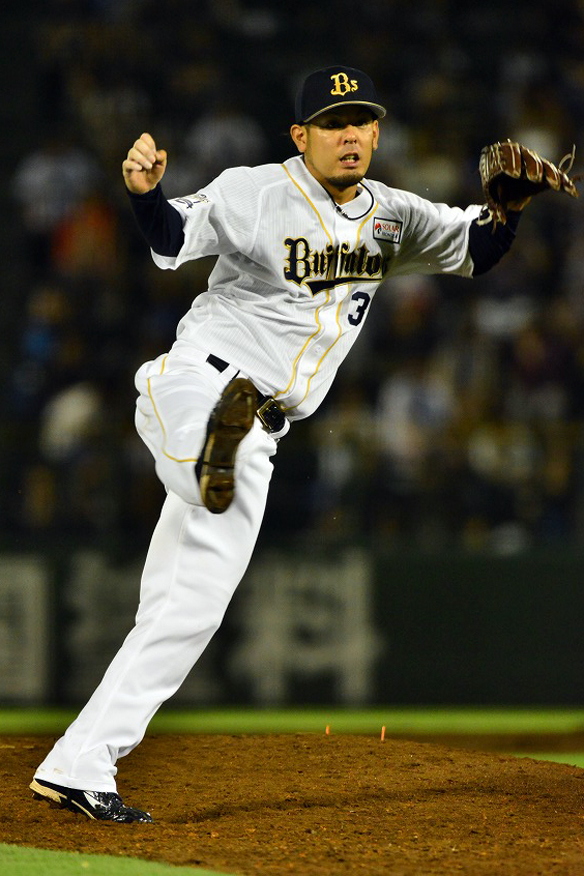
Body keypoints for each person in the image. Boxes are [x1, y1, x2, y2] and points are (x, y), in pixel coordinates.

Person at [30, 65, 525, 822]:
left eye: (360, 121)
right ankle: (204, 448)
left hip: (259, 431)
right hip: (201, 379)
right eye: (332, 123)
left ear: (377, 132)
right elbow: (173, 237)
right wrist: (144, 193)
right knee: (205, 451)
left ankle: (79, 764)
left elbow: (474, 247)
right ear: (301, 136)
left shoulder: (394, 216)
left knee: (188, 609)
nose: (349, 134)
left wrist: (509, 210)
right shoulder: (255, 190)